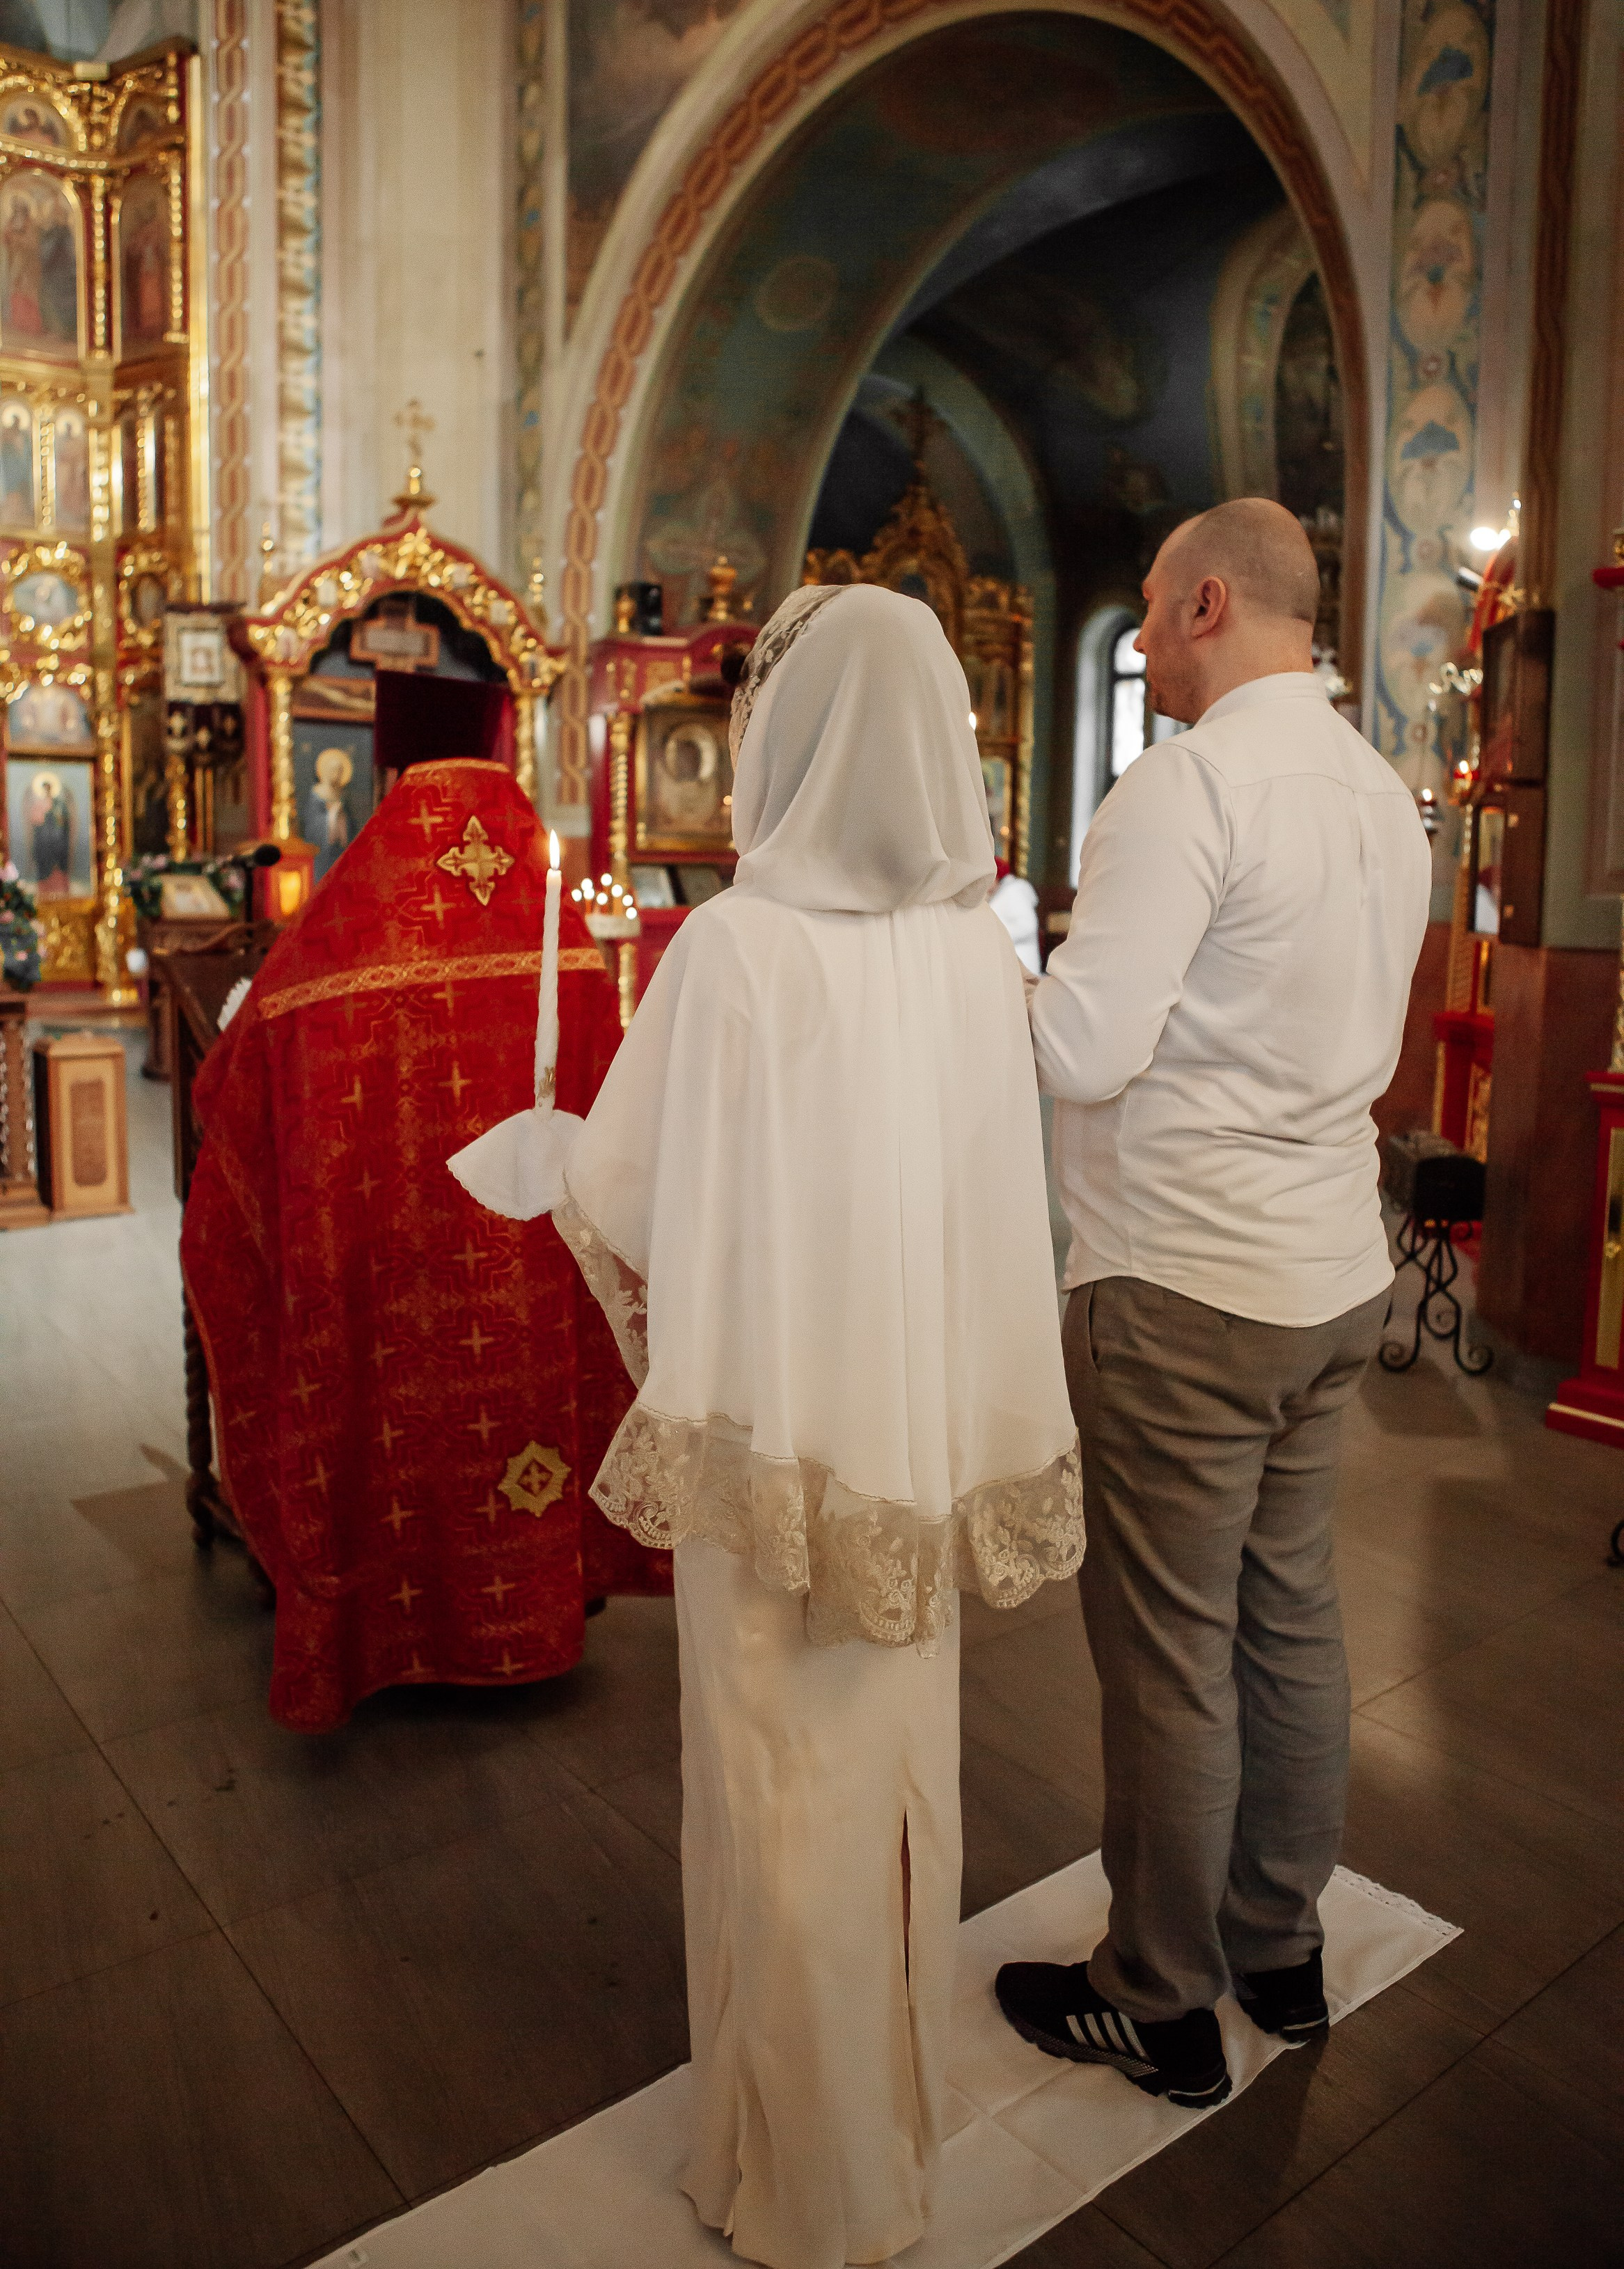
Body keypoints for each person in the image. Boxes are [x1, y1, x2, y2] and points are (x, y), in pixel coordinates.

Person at [558, 583, 1083, 2269]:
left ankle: (790, 2178)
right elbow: (1014, 1209)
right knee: (893, 1784)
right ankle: (887, 2153)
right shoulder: (974, 955)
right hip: (913, 1454)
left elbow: (627, 1189)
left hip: (777, 1446)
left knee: (774, 1786)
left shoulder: (731, 948)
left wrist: (549, 1157)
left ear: (792, 738)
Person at [996, 498, 1431, 2107]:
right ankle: (1279, 1949)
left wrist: (975, 977)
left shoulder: (1187, 787)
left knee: (1173, 1650)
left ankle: (1157, 1994)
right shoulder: (1383, 794)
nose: (1145, 658)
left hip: (1184, 1284)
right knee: (1290, 1615)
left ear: (1199, 601)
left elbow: (1082, 1049)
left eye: (1152, 628)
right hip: (1328, 1271)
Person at [181, 757, 670, 1732]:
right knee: (523, 1417)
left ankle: (375, 1625)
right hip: (528, 1283)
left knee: (377, 1425)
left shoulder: (332, 955)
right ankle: (539, 1606)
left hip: (379, 1274)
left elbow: (231, 1079)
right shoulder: (566, 957)